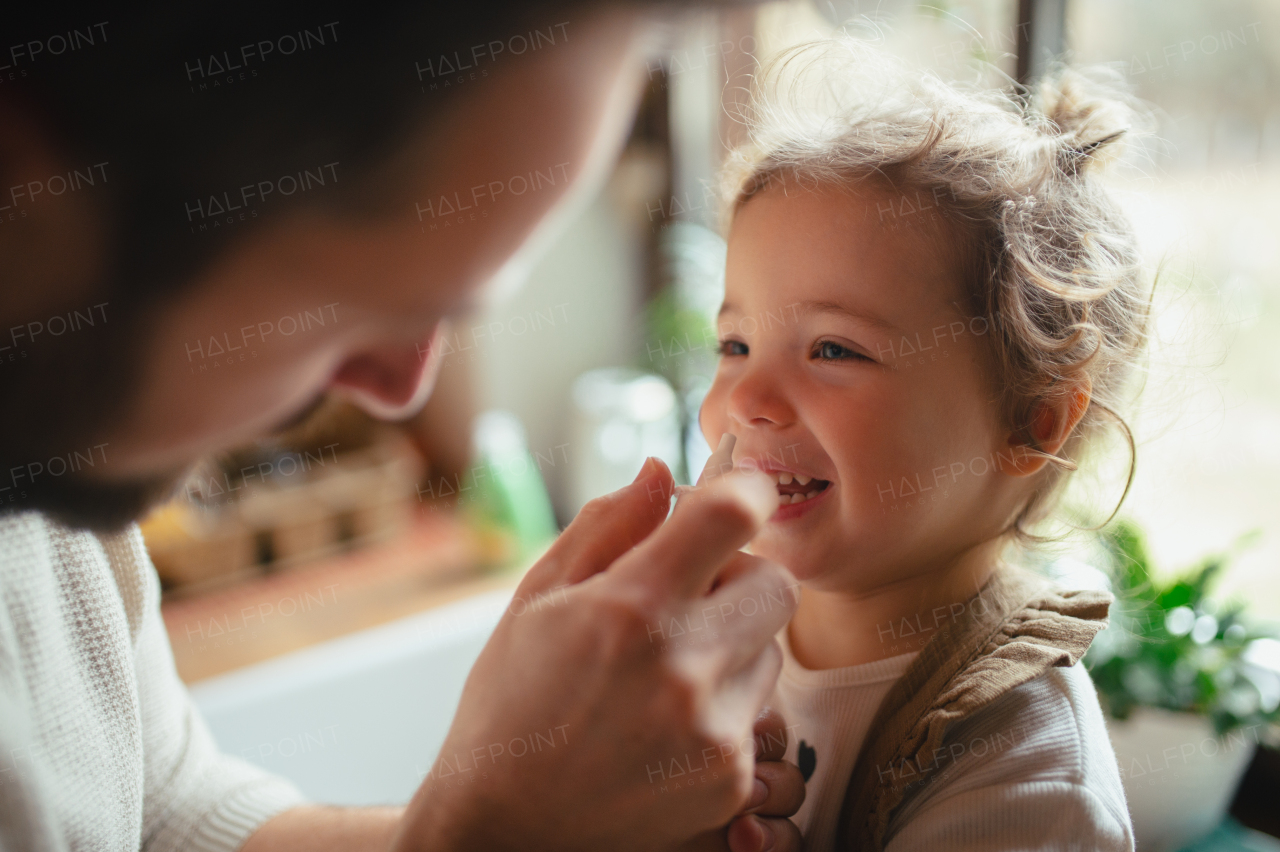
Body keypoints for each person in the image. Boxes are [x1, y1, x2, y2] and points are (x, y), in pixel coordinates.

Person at [0, 3, 807, 850]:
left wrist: (550, 812)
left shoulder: (56, 458)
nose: (398, 391)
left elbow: (164, 809)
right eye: (348, 309)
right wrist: (491, 835)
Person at [696, 40, 1150, 850]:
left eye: (834, 350)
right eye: (734, 346)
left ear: (1032, 421)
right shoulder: (715, 629)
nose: (748, 403)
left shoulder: (1026, 777)